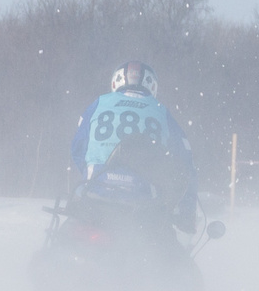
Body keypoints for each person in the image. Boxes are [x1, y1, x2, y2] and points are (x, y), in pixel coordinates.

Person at [68, 61, 199, 236]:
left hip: (93, 195)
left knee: (65, 237)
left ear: (116, 82)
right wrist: (186, 212)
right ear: (152, 86)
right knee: (170, 256)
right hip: (143, 204)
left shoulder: (99, 103)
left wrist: (94, 173)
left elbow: (78, 147)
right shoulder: (161, 112)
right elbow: (185, 163)